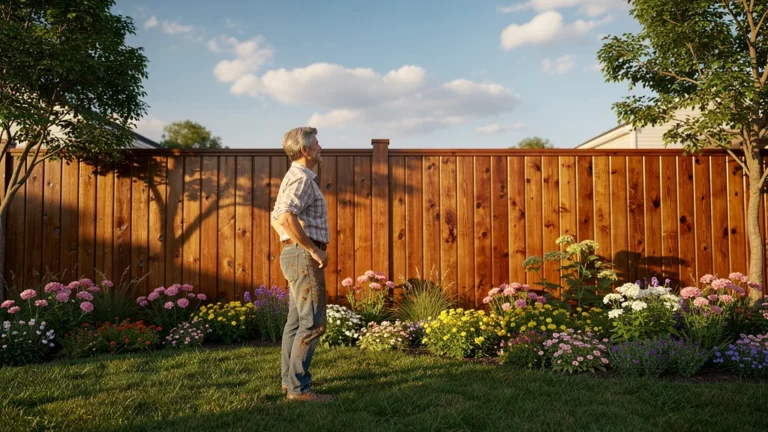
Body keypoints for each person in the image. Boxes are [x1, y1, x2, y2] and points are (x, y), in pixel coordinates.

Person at [270, 126, 333, 402]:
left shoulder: (292, 177)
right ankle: (298, 389)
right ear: (305, 150)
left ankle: (289, 382)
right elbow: (284, 217)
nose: (321, 147)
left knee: (295, 322)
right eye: (317, 144)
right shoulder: (303, 178)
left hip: (293, 253)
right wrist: (312, 250)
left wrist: (290, 241)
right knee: (313, 322)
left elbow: (276, 218)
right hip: (303, 256)